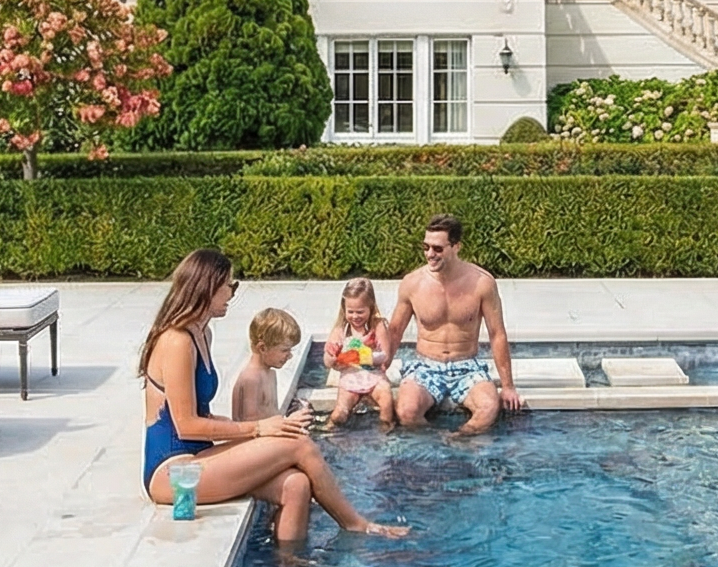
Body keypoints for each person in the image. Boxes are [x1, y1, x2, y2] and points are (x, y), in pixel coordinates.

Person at [138, 248, 405, 544]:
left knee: (297, 484)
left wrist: (266, 428)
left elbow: (202, 414)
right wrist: (259, 429)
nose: (232, 293)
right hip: (172, 472)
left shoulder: (202, 334)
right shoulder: (176, 341)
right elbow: (187, 425)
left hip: (199, 456)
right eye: (230, 285)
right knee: (299, 444)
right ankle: (355, 524)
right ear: (208, 287)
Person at [380, 214, 523, 436]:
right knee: (406, 412)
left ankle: (459, 439)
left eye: (437, 249)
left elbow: (497, 334)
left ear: (456, 247)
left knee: (489, 408)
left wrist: (508, 386)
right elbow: (395, 331)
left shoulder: (482, 283)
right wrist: (381, 370)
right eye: (426, 247)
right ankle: (437, 442)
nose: (430, 254)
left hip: (467, 366)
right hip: (426, 365)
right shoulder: (413, 283)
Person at [323, 277, 394, 430]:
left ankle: (386, 430)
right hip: (350, 379)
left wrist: (363, 355)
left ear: (371, 307)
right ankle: (328, 429)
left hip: (374, 376)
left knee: (387, 401)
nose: (355, 316)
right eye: (351, 312)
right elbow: (327, 362)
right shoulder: (341, 330)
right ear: (344, 309)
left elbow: (385, 356)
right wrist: (332, 357)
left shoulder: (378, 326)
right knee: (340, 413)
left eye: (360, 312)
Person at [228, 307, 300, 424]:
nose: (290, 356)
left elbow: (274, 414)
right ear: (262, 348)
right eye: (284, 350)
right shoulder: (251, 379)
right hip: (252, 439)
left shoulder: (270, 373)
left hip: (267, 437)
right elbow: (249, 425)